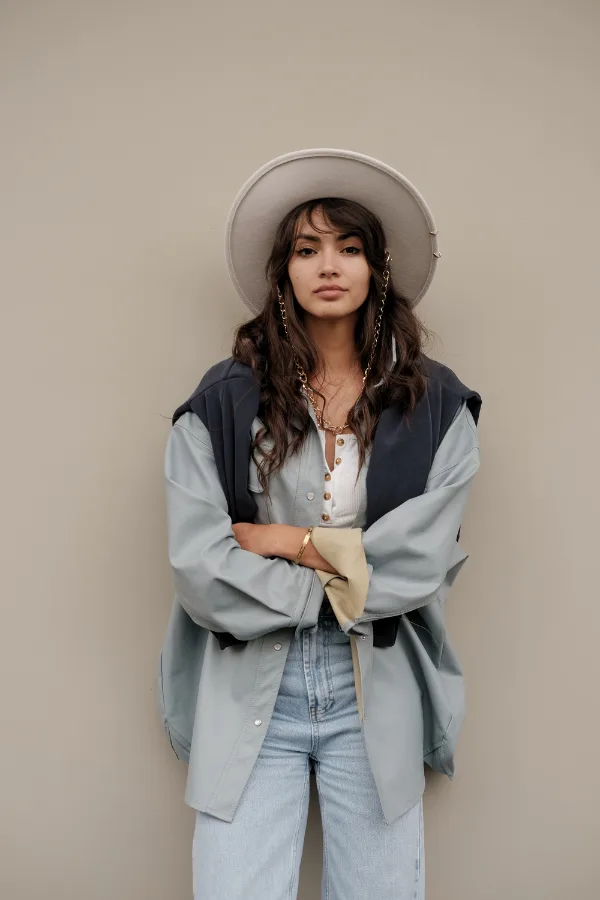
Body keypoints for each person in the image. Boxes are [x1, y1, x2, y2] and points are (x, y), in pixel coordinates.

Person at [159, 149, 482, 900]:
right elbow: (200, 565)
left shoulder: (437, 407)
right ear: (284, 274)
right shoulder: (222, 401)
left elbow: (420, 561)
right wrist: (338, 576)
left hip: (378, 689)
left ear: (378, 267)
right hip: (249, 690)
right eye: (307, 250)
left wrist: (290, 542)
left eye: (349, 247)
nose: (328, 265)